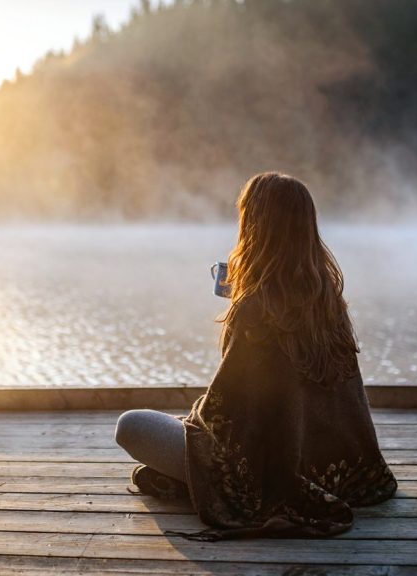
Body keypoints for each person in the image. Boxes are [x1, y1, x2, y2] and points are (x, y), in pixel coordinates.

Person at [115, 172, 397, 540]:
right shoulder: (329, 301)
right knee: (181, 429)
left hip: (269, 470)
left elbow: (228, 416)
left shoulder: (254, 309)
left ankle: (194, 481)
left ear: (255, 227)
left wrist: (240, 311)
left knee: (132, 425)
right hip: (340, 468)